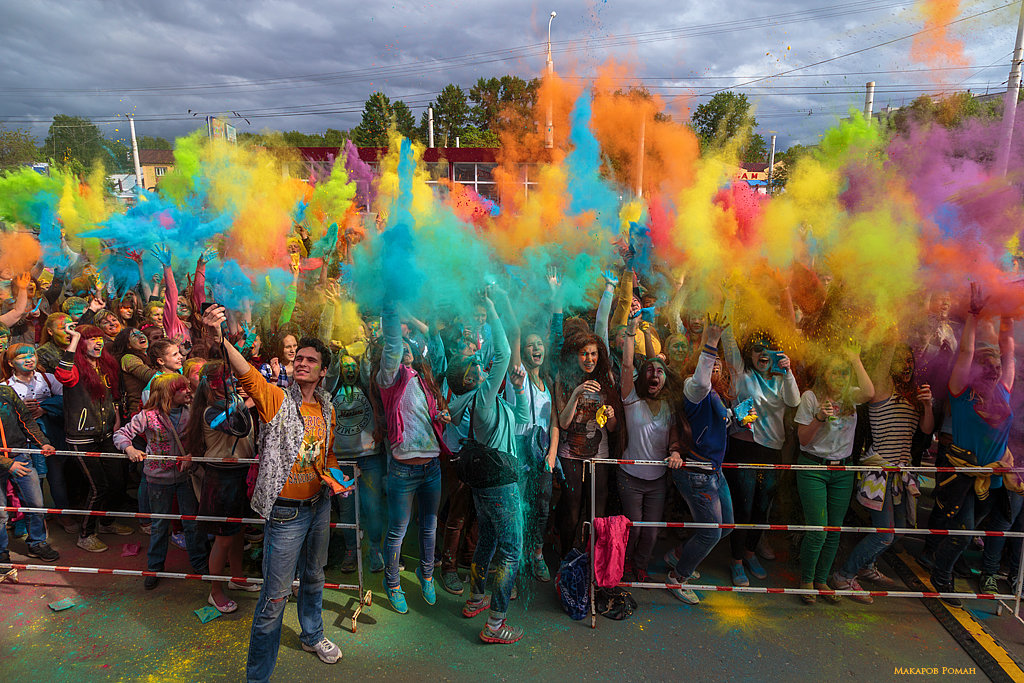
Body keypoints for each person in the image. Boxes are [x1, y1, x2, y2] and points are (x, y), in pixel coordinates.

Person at [202, 305, 346, 681]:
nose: (302, 363)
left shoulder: (328, 408)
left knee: (314, 577)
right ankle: (258, 676)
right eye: (298, 358)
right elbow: (247, 376)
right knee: (274, 598)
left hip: (319, 507)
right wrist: (221, 340)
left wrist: (335, 479)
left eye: (311, 360)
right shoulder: (278, 400)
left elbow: (327, 455)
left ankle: (312, 634)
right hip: (286, 514)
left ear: (323, 370)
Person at [446, 287, 527, 644]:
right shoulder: (482, 395)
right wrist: (493, 306)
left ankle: (475, 599)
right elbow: (507, 350)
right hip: (501, 483)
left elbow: (521, 418)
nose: (482, 367)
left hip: (485, 483)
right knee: (511, 550)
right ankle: (495, 624)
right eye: (475, 368)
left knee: (488, 542)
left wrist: (520, 389)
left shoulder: (474, 399)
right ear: (470, 379)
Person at [831, 340, 934, 603]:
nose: (907, 366)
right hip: (880, 473)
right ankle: (843, 576)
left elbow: (925, 430)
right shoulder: (883, 388)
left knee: (897, 530)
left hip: (899, 474)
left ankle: (866, 566)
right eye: (902, 361)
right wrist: (892, 331)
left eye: (910, 361)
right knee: (884, 533)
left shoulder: (911, 395)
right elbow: (885, 362)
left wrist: (928, 405)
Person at [930, 286, 1015, 606]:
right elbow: (965, 353)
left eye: (996, 366)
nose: (994, 370)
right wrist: (973, 315)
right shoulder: (961, 394)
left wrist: (1008, 316)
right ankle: (941, 576)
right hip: (964, 478)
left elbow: (1009, 353)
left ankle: (941, 562)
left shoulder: (1004, 390)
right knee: (964, 532)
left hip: (993, 479)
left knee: (972, 529)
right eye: (987, 365)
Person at [376, 298, 450, 615]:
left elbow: (431, 417)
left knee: (430, 528)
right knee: (398, 531)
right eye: (398, 350)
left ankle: (427, 574)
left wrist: (441, 417)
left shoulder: (425, 381)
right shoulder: (389, 380)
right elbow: (393, 343)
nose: (404, 352)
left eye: (408, 349)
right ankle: (392, 584)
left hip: (432, 469)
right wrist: (391, 309)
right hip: (403, 472)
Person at [664, 314, 736, 605]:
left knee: (727, 526)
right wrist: (711, 342)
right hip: (696, 471)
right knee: (710, 532)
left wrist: (740, 420)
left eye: (718, 360)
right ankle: (677, 578)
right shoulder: (694, 389)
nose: (714, 362)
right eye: (710, 360)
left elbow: (724, 423)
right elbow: (702, 380)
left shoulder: (718, 397)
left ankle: (678, 556)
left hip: (714, 471)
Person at [793, 349, 873, 604]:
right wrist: (818, 418)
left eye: (844, 372)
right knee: (818, 530)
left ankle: (821, 580)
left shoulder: (851, 396)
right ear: (824, 374)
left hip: (842, 471)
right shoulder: (810, 397)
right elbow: (803, 440)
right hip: (813, 469)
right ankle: (806, 580)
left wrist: (855, 360)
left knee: (834, 531)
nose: (839, 377)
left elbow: (870, 392)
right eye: (834, 372)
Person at [113, 373, 208, 589]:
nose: (187, 391)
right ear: (168, 393)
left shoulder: (191, 412)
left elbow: (201, 440)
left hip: (186, 478)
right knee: (159, 525)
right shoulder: (147, 416)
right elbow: (120, 435)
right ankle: (154, 568)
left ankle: (199, 564)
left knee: (191, 523)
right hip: (157, 479)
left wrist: (192, 455)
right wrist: (130, 449)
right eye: (181, 388)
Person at [721, 328, 800, 586]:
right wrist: (728, 298)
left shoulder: (780, 378)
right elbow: (728, 337)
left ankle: (750, 553)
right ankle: (735, 561)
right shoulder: (741, 374)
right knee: (743, 508)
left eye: (768, 348)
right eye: (757, 348)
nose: (762, 353)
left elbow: (794, 400)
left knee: (761, 508)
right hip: (744, 448)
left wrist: (788, 372)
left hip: (772, 451)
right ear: (748, 353)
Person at [185, 359, 259, 614]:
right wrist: (251, 400)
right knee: (223, 539)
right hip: (222, 479)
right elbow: (239, 427)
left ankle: (236, 578)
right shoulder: (211, 411)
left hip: (239, 475)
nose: (234, 380)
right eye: (229, 377)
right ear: (216, 383)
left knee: (237, 533)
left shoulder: (231, 402)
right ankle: (215, 592)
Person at [54, 324, 133, 553]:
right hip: (82, 437)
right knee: (98, 486)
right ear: (81, 344)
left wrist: (117, 416)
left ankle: (106, 523)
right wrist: (75, 339)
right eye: (91, 339)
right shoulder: (75, 366)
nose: (98, 342)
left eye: (100, 339)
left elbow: (114, 395)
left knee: (117, 482)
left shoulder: (106, 364)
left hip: (107, 432)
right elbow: (62, 375)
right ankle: (86, 534)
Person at [617, 310, 673, 583]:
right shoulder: (631, 401)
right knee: (634, 528)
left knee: (650, 531)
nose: (654, 374)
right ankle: (625, 566)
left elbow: (677, 438)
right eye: (650, 370)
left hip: (658, 480)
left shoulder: (670, 407)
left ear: (664, 379)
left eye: (660, 371)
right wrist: (631, 330)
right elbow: (627, 366)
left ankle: (640, 567)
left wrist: (675, 451)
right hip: (630, 477)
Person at [554, 331, 619, 556]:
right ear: (575, 356)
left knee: (597, 508)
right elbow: (563, 422)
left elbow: (611, 428)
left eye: (593, 354)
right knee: (571, 508)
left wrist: (610, 414)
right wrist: (577, 393)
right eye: (584, 354)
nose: (589, 359)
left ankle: (592, 558)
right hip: (570, 453)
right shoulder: (564, 379)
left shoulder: (606, 380)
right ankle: (565, 557)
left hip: (599, 455)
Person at [325, 351, 385, 573]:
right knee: (347, 509)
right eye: (345, 366)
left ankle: (375, 550)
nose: (350, 370)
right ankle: (351, 550)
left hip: (369, 456)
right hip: (341, 459)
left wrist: (367, 350)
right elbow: (329, 377)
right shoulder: (331, 390)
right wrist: (334, 357)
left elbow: (369, 371)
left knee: (372, 506)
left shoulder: (368, 388)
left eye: (354, 366)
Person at [508, 329, 558, 583]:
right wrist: (517, 333)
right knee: (517, 508)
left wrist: (552, 454)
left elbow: (554, 423)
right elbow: (514, 357)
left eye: (540, 343)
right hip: (518, 451)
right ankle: (512, 566)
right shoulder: (518, 375)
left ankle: (537, 554)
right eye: (530, 345)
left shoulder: (547, 382)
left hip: (543, 454)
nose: (536, 348)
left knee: (541, 507)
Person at [0, 382, 59, 563]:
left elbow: (25, 419)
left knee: (35, 504)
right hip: (8, 462)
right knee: (1, 512)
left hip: (20, 456)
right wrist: (7, 463)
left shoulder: (6, 391)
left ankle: (37, 543)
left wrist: (43, 442)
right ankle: (1, 551)